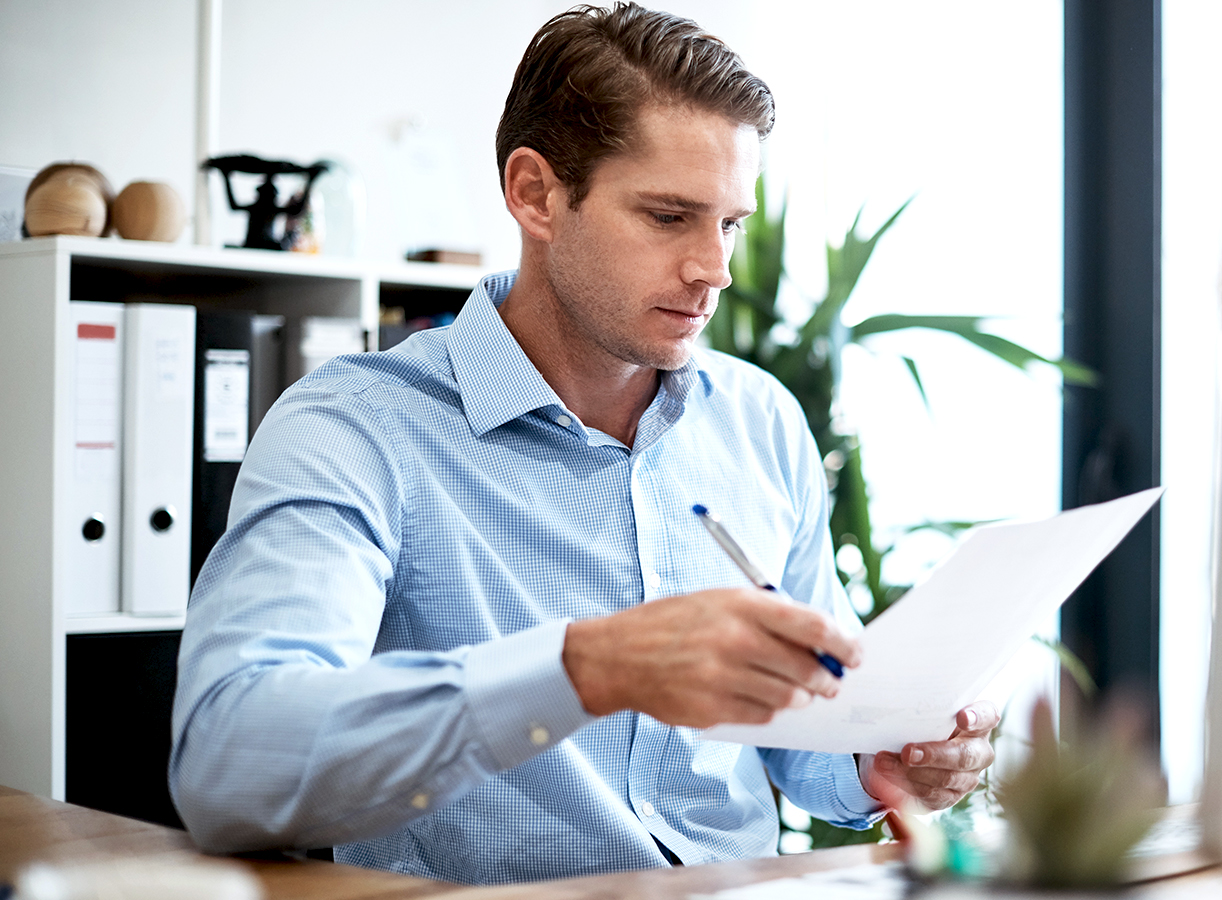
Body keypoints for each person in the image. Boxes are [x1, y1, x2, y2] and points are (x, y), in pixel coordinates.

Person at [169, 2, 997, 885]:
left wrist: (875, 760)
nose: (714, 270)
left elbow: (805, 733)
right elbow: (228, 763)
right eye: (669, 216)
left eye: (728, 224)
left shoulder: (760, 422)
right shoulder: (356, 429)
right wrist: (585, 668)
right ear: (536, 195)